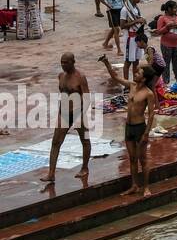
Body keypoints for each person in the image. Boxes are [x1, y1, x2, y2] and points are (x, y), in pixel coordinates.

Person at [97, 56, 158, 196]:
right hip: (129, 127)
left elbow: (151, 114)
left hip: (139, 128)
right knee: (131, 158)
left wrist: (146, 134)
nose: (135, 74)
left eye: (138, 73)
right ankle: (134, 185)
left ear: (143, 78)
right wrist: (107, 63)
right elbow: (115, 77)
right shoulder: (131, 85)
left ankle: (146, 187)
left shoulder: (148, 94)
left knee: (143, 159)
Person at [43, 53, 91, 185]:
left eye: (66, 62)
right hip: (63, 112)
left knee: (85, 140)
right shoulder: (61, 76)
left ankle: (85, 167)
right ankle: (51, 173)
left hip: (78, 112)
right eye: (61, 62)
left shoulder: (80, 78)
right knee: (55, 142)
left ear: (73, 62)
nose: (63, 65)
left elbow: (87, 98)